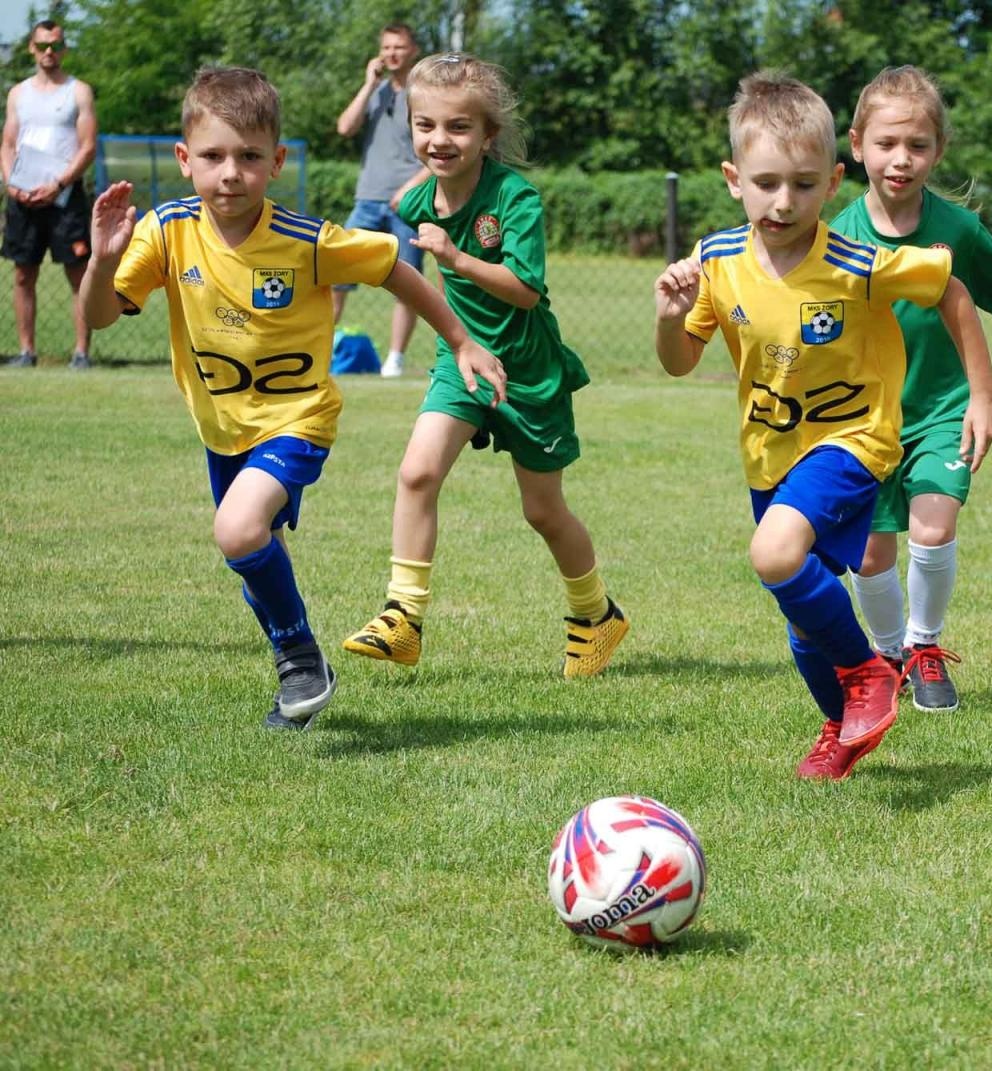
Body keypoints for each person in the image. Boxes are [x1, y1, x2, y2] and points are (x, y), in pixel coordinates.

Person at [79, 66, 505, 730]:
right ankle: (302, 674)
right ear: (185, 160)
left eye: (249, 157)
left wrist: (460, 340)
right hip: (222, 428)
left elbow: (394, 265)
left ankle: (299, 659)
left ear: (275, 162)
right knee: (252, 548)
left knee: (238, 529)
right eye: (214, 156)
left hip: (298, 418)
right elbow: (101, 316)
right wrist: (103, 261)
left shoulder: (306, 242)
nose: (230, 173)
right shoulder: (167, 231)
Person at [653, 71, 992, 781]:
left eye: (806, 185)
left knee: (774, 554)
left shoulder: (854, 261)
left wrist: (982, 394)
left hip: (855, 441)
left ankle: (872, 670)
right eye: (768, 182)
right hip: (770, 455)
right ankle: (841, 726)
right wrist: (668, 313)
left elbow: (952, 289)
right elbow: (680, 361)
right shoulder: (716, 261)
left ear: (835, 181)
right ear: (733, 179)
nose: (785, 202)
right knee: (801, 619)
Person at [343, 53, 630, 680]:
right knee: (417, 473)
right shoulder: (419, 197)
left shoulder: (516, 198)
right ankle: (403, 619)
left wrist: (457, 256)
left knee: (543, 512)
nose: (438, 140)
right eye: (425, 126)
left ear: (488, 135)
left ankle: (595, 616)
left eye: (458, 127)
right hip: (462, 360)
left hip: (531, 373)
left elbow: (526, 289)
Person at [831, 66, 992, 714]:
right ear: (857, 144)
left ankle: (925, 645)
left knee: (932, 526)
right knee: (871, 554)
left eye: (918, 145)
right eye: (887, 143)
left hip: (942, 411)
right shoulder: (836, 238)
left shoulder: (956, 230)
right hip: (863, 421)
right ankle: (888, 654)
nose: (901, 159)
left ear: (938, 151)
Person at [332, 22, 429, 378]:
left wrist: (409, 190)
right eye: (386, 47)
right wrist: (369, 83)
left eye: (399, 48)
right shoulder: (376, 92)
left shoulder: (424, 96)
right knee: (335, 273)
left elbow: (439, 156)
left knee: (407, 283)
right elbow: (344, 127)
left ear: (413, 51)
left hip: (407, 205)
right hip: (367, 200)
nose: (391, 54)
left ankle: (394, 360)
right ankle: (319, 347)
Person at [1, 19, 96, 369]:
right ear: (31, 48)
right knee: (24, 274)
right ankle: (27, 352)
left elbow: (87, 147)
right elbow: (7, 145)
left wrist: (57, 184)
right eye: (42, 45)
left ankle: (81, 353)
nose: (48, 52)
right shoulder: (18, 94)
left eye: (55, 45)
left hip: (64, 198)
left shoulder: (78, 91)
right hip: (23, 198)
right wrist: (12, 183)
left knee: (78, 273)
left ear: (64, 48)